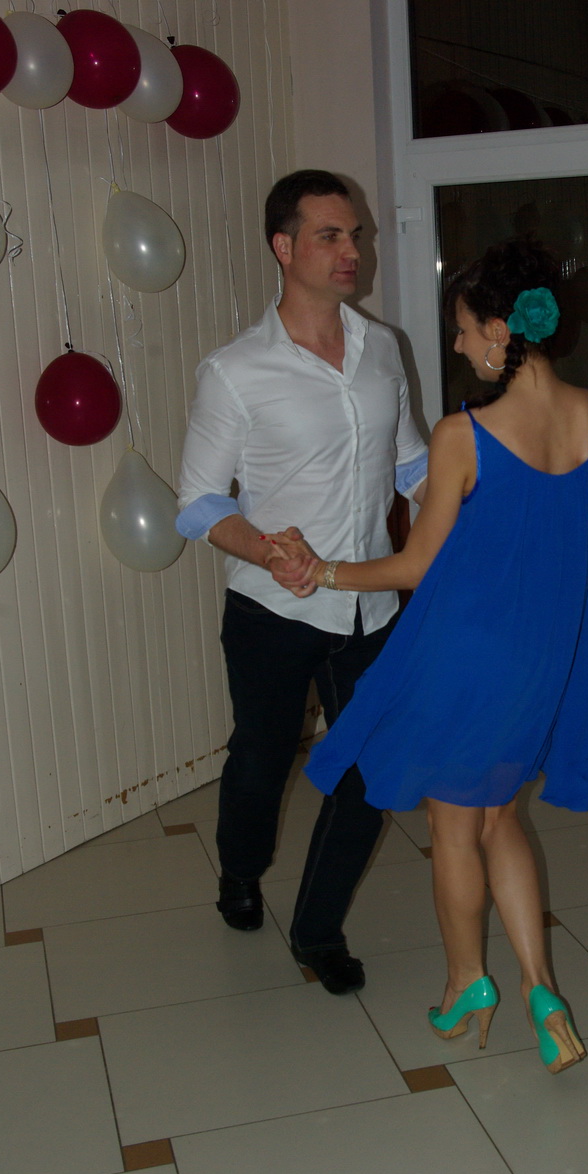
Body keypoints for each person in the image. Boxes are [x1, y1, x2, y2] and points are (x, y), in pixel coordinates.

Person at [267, 237, 588, 1072]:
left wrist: (321, 570)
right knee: (501, 815)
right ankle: (542, 990)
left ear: (502, 330)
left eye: (466, 329)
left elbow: (414, 566)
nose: (461, 345)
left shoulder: (463, 434)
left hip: (468, 655)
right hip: (544, 655)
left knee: (454, 829)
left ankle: (466, 981)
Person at [175, 169, 428, 996]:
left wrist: (461, 512)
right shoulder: (235, 370)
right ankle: (239, 870)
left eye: (356, 234)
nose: (352, 250)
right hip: (272, 611)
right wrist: (261, 547)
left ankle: (317, 930)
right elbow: (197, 502)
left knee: (368, 769)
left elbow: (411, 463)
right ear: (283, 247)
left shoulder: (382, 348)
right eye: (330, 235)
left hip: (371, 603)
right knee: (262, 761)